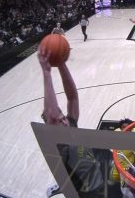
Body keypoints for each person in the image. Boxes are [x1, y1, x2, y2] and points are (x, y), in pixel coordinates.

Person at [39, 48, 107, 198]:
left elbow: (72, 97)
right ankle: (65, 185)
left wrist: (62, 64)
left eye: (63, 116)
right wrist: (46, 73)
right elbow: (52, 113)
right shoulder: (57, 142)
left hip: (91, 171)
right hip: (86, 190)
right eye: (57, 120)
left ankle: (64, 183)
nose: (63, 120)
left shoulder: (71, 124)